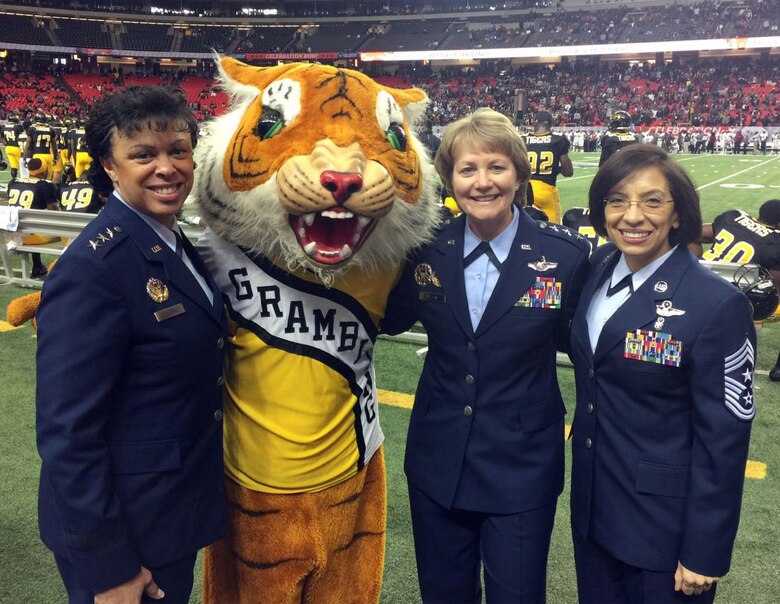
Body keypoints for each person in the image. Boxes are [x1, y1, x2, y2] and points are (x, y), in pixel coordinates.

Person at [382, 107, 590, 603]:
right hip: (438, 460)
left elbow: (585, 349)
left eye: (496, 167)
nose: (482, 182)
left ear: (519, 173)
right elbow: (383, 318)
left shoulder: (566, 256)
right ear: (450, 178)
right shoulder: (425, 249)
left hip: (521, 467)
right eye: (467, 169)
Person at [35, 85, 228, 603]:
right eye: (143, 154)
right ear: (109, 165)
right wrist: (109, 566)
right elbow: (68, 434)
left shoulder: (169, 237)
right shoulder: (93, 267)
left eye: (177, 150)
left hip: (169, 512)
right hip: (127, 532)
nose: (166, 167)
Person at [569, 144, 755, 603]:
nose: (633, 215)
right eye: (617, 200)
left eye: (652, 201)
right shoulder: (597, 269)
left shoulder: (717, 304)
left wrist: (704, 550)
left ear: (678, 215)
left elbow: (724, 439)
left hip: (664, 532)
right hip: (594, 512)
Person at [701, 199, 780, 380]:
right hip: (741, 300)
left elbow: (690, 234)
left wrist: (696, 260)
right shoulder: (776, 243)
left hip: (703, 285)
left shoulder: (733, 217)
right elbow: (775, 290)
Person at [6, 157, 60, 278]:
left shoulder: (13, 182)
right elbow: (53, 211)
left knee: (32, 226)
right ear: (43, 171)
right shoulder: (44, 185)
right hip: (32, 237)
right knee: (61, 232)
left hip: (11, 233)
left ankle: (38, 265)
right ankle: (37, 265)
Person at [523, 110, 573, 224]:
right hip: (547, 190)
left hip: (526, 190)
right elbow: (568, 172)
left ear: (534, 124)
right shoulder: (558, 140)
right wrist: (557, 169)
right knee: (553, 231)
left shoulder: (523, 139)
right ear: (550, 125)